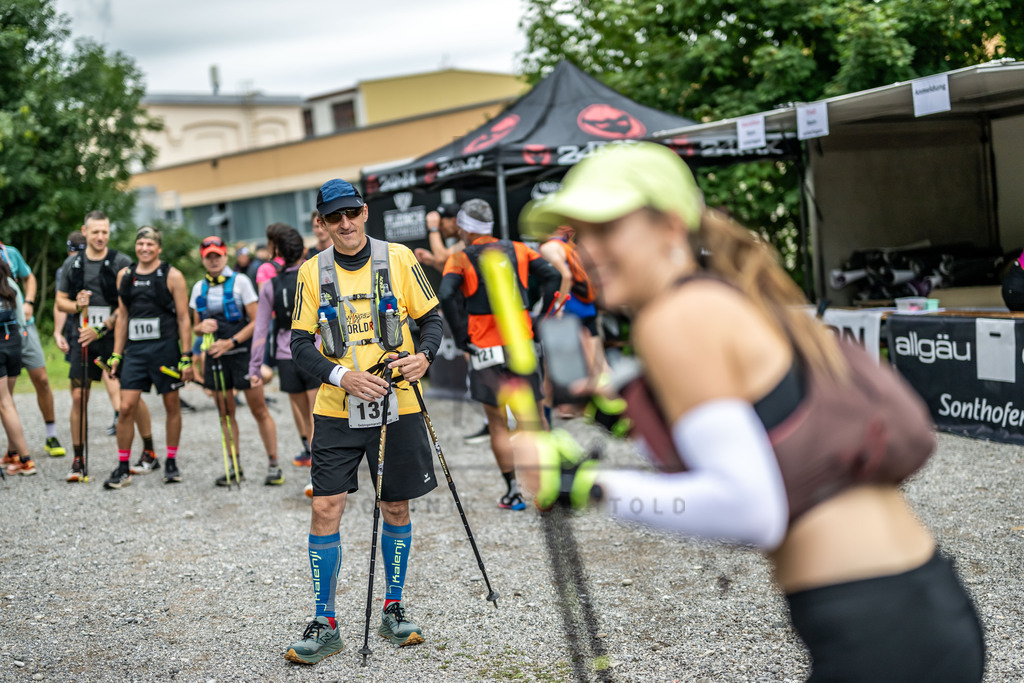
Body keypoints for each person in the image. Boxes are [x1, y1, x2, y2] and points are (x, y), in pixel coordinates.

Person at [516, 142, 985, 682]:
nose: (589, 250)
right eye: (580, 233)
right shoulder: (719, 296)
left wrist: (588, 485)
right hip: (915, 609)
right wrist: (622, 421)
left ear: (670, 227)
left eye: (608, 229)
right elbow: (753, 439)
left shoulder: (675, 317)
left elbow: (750, 508)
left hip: (877, 631)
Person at [285, 178, 444, 664]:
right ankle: (324, 620)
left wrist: (424, 356)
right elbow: (299, 345)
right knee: (325, 507)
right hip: (337, 409)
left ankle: (394, 608)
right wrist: (341, 376)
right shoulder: (311, 272)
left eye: (351, 213)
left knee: (396, 507)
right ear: (323, 223)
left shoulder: (398, 258)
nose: (345, 223)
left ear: (364, 211)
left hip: (398, 405)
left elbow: (432, 319)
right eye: (335, 218)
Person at [438, 198, 559, 510]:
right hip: (521, 345)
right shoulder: (519, 249)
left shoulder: (460, 258)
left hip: (484, 350)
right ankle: (547, 491)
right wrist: (540, 315)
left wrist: (462, 335)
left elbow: (446, 293)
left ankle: (513, 493)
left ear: (464, 227)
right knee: (534, 420)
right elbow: (553, 276)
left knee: (497, 425)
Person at [56, 211, 156, 483]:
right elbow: (60, 303)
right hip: (84, 337)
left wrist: (103, 327)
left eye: (105, 232)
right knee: (78, 397)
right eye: (95, 232)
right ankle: (78, 460)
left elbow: (128, 306)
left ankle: (149, 450)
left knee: (129, 399)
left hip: (115, 337)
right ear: (84, 231)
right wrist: (78, 305)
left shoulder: (121, 263)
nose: (100, 237)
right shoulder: (72, 265)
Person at [103, 227, 194, 489]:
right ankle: (122, 467)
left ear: (159, 248)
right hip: (136, 352)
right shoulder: (126, 274)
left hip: (166, 350)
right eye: (140, 243)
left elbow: (183, 318)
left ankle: (171, 461)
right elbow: (122, 317)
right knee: (126, 406)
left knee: (171, 405)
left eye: (150, 244)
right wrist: (116, 355)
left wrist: (186, 356)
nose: (144, 248)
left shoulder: (172, 275)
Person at [190, 235, 280, 486]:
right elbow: (195, 328)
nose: (214, 260)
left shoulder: (241, 282)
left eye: (217, 255)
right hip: (216, 359)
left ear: (225, 256)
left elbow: (257, 321)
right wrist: (201, 328)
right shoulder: (198, 288)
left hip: (242, 356)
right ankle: (234, 467)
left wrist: (231, 342)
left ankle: (274, 465)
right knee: (225, 414)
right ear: (203, 259)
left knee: (259, 409)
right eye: (209, 257)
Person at [249, 224, 318, 468]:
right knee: (317, 416)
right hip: (314, 351)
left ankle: (311, 456)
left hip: (286, 354)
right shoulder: (314, 276)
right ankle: (318, 471)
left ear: (276, 250)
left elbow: (260, 328)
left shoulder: (270, 285)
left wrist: (255, 367)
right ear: (302, 250)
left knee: (303, 414)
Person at [0, 239, 64, 457]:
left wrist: (28, 302)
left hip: (24, 328)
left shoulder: (10, 253)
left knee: (42, 379)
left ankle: (51, 434)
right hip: (5, 334)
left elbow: (29, 278)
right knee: (5, 396)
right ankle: (15, 451)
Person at [539, 225, 606, 418]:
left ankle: (548, 414)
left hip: (570, 311)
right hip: (586, 307)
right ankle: (598, 409)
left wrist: (559, 307)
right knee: (596, 363)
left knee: (552, 366)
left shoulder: (549, 247)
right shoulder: (570, 246)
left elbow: (566, 275)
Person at [0, 259, 34, 476]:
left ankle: (25, 459)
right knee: (7, 401)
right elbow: (23, 319)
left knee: (4, 404)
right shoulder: (11, 286)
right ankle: (12, 452)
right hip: (14, 342)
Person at [413, 202, 461, 272]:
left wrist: (433, 229)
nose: (439, 228)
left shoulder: (470, 238)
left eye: (441, 223)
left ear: (454, 221)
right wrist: (433, 261)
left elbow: (441, 258)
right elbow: (452, 272)